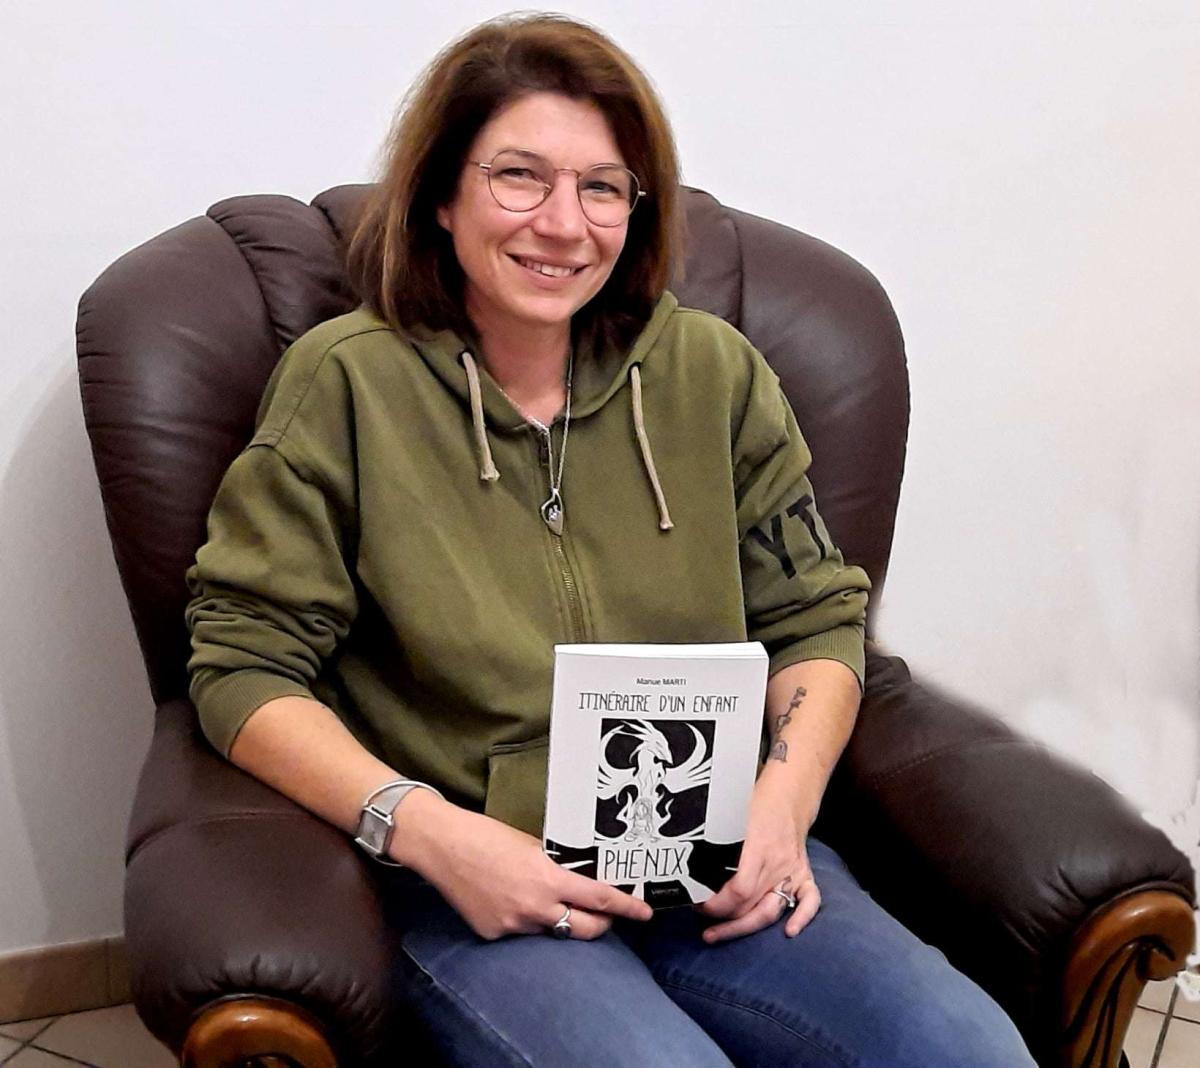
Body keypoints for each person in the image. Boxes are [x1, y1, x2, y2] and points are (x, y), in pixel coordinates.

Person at [185, 13, 1034, 1066]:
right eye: (518, 177)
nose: (563, 224)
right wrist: (432, 835)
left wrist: (783, 804)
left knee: (968, 1046)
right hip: (475, 878)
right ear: (442, 194)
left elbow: (817, 616)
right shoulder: (345, 383)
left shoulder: (713, 373)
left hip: (714, 855)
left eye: (602, 186)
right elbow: (241, 668)